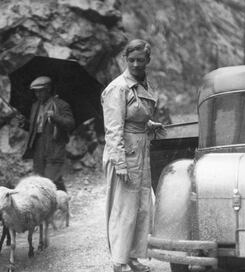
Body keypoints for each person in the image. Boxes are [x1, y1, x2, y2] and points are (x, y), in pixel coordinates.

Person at [102, 39, 165, 272]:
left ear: (148, 60)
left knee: (140, 207)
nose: (136, 64)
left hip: (140, 150)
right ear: (125, 60)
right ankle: (119, 262)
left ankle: (132, 257)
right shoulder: (117, 88)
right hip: (124, 156)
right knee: (123, 209)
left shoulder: (141, 84)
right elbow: (114, 128)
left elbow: (134, 115)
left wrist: (149, 124)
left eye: (141, 59)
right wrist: (120, 164)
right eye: (132, 60)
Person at [22, 76, 75, 191]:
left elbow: (70, 124)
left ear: (48, 89)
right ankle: (61, 201)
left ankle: (61, 203)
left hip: (55, 146)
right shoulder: (35, 106)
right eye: (36, 91)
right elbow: (36, 128)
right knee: (40, 180)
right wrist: (24, 124)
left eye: (41, 91)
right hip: (39, 147)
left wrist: (55, 117)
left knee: (51, 180)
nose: (38, 94)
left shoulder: (61, 105)